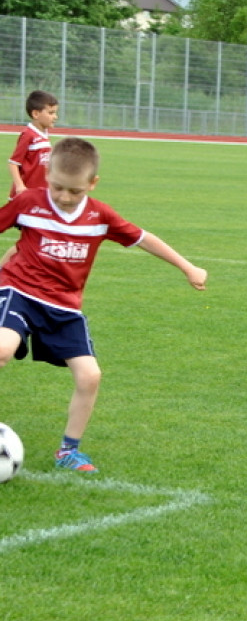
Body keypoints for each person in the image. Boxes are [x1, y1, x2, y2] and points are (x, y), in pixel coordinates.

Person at [0, 137, 208, 473]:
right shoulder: (28, 202)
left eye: (74, 191)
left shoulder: (100, 215)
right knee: (2, 349)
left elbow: (144, 238)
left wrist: (188, 267)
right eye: (57, 188)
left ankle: (68, 452)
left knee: (90, 376)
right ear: (47, 174)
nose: (65, 197)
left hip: (65, 306)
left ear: (92, 184)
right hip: (19, 292)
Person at [8, 90, 59, 199]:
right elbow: (13, 163)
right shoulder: (28, 134)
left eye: (55, 112)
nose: (55, 117)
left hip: (39, 194)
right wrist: (20, 185)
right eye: (51, 113)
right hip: (24, 195)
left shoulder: (44, 134)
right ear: (36, 114)